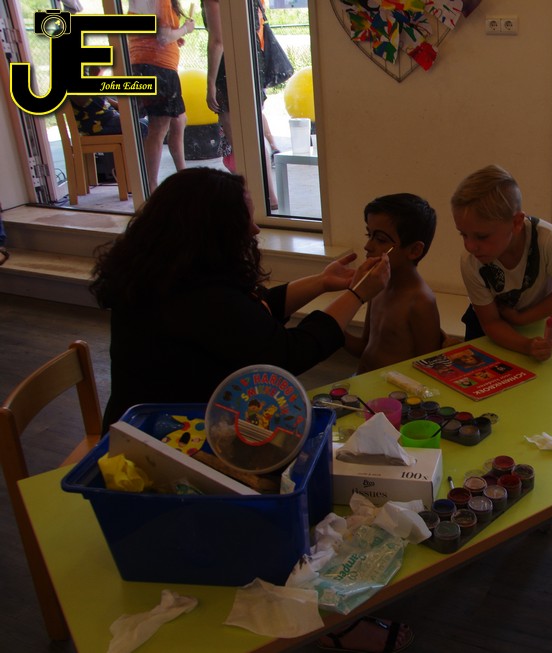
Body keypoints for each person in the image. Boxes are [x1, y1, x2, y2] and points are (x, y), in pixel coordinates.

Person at [90, 167, 391, 430]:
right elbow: (285, 354)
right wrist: (356, 295)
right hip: (162, 437)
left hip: (153, 420)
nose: (255, 228)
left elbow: (252, 314)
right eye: (245, 220)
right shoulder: (198, 299)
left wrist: (321, 282)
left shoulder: (166, 272)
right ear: (214, 232)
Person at [452, 164, 552, 362]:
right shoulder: (470, 261)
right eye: (463, 234)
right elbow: (491, 322)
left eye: (482, 236)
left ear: (516, 223)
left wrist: (523, 319)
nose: (470, 246)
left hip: (533, 322)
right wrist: (526, 346)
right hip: (486, 328)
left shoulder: (548, 240)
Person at [345, 193, 443, 373]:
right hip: (364, 384)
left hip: (395, 390)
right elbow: (364, 348)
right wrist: (332, 330)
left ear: (414, 250)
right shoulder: (377, 287)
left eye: (380, 239)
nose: (368, 246)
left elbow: (428, 369)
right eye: (369, 234)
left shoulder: (421, 302)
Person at [202, 0, 280, 209]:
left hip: (229, 68)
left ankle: (251, 199)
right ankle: (269, 196)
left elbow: (218, 41)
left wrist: (210, 83)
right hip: (252, 62)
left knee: (237, 140)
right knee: (254, 134)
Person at [126, 0, 195, 192]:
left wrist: (176, 36)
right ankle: (151, 186)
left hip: (142, 65)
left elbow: (156, 34)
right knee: (158, 129)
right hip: (158, 68)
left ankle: (183, 177)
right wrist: (185, 29)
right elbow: (164, 37)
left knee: (179, 120)